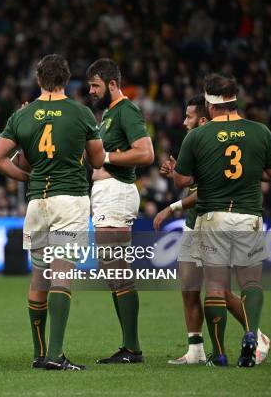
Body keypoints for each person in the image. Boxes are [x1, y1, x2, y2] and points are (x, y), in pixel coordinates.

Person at [0, 54, 105, 370]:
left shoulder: (22, 116)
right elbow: (97, 160)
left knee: (40, 275)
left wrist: (28, 177)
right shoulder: (81, 113)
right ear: (67, 80)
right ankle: (55, 355)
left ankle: (40, 354)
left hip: (38, 201)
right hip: (70, 201)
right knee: (62, 274)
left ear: (38, 80)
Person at [174, 73, 271, 367]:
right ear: (235, 100)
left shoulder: (197, 135)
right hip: (248, 215)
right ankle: (250, 334)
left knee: (217, 287)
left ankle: (219, 354)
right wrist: (251, 171)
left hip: (213, 216)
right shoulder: (260, 132)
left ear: (209, 103)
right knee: (251, 282)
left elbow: (183, 178)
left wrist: (206, 171)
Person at [86, 58, 154, 364]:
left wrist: (105, 157)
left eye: (95, 85)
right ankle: (129, 345)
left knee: (117, 268)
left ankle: (133, 347)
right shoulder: (109, 115)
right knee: (111, 268)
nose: (91, 90)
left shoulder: (127, 110)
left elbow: (145, 152)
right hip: (105, 194)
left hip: (116, 192)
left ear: (112, 84)